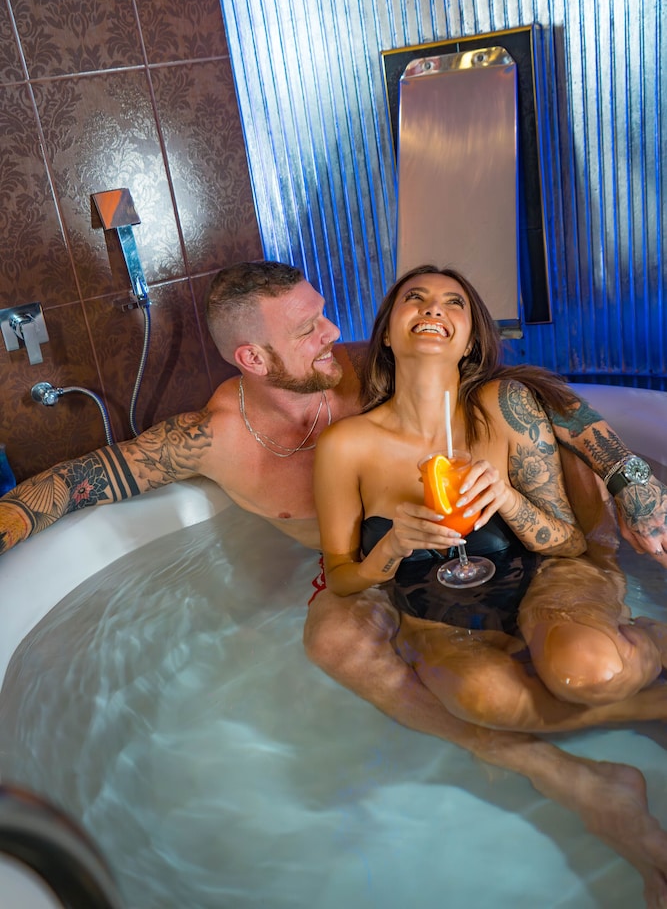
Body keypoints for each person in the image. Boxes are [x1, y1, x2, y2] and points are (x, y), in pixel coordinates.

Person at [1, 260, 667, 900]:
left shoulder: (363, 367)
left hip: (483, 547)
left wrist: (631, 478)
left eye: (322, 316)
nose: (331, 333)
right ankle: (552, 769)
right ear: (253, 358)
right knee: (333, 644)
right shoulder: (209, 439)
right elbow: (79, 482)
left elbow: (533, 395)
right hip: (368, 567)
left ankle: (582, 684)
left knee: (554, 654)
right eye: (307, 329)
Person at [313, 263, 667, 905]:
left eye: (454, 302)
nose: (433, 308)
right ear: (386, 331)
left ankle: (651, 647)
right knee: (480, 698)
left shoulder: (501, 408)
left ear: (472, 338)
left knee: (589, 675)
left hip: (549, 575)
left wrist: (506, 497)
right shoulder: (347, 445)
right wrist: (390, 548)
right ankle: (653, 707)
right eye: (415, 297)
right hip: (438, 606)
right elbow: (340, 579)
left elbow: (569, 543)